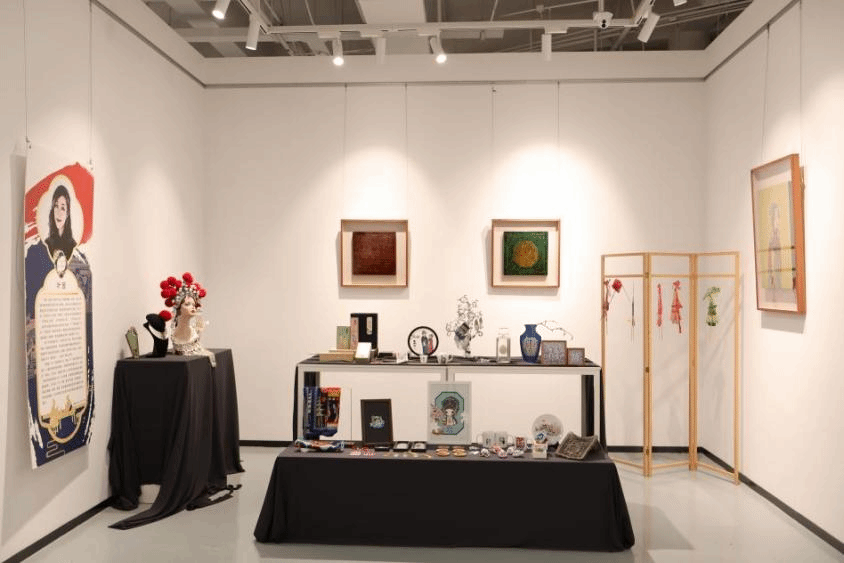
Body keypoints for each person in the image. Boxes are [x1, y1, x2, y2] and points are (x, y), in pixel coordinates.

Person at [44, 185, 77, 262]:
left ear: (67, 213)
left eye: (62, 208)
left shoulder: (73, 247)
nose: (58, 213)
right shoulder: (46, 245)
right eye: (56, 206)